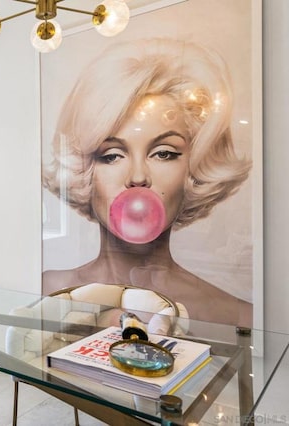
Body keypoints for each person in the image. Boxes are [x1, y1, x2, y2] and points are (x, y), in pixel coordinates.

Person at [42, 38, 252, 327]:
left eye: (164, 153)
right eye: (112, 155)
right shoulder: (47, 292)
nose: (138, 177)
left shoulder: (238, 316)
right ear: (86, 169)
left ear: (195, 167)